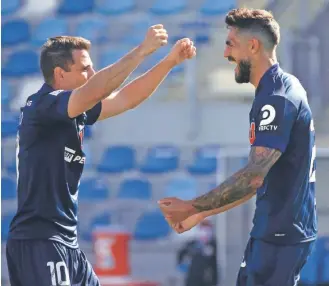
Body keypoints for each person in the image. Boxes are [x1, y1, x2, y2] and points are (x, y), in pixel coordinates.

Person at [6, 25, 196, 286]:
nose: (92, 74)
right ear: (60, 74)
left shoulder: (73, 110)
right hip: (40, 241)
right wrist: (141, 51)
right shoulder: (43, 105)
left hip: (66, 241)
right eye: (84, 69)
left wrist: (169, 62)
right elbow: (98, 89)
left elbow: (126, 99)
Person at [158, 8, 317, 286]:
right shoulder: (277, 89)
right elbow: (257, 179)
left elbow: (253, 177)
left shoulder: (276, 99)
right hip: (276, 233)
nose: (225, 54)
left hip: (280, 238)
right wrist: (201, 213)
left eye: (230, 44)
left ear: (253, 46)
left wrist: (192, 206)